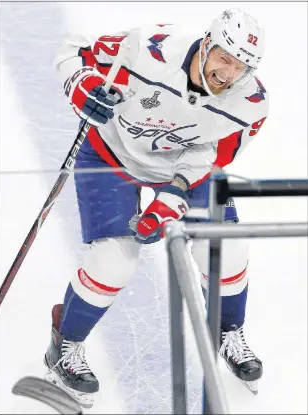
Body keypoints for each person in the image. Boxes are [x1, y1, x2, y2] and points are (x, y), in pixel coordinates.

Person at [45, 8, 268, 407]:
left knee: (226, 250)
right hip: (112, 154)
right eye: (224, 57)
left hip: (182, 168)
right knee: (114, 262)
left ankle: (228, 330)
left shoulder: (250, 104)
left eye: (241, 66)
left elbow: (209, 156)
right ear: (206, 44)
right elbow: (74, 52)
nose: (229, 73)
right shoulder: (152, 49)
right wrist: (84, 86)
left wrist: (170, 200)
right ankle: (65, 344)